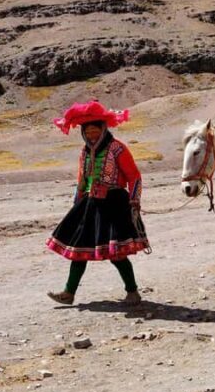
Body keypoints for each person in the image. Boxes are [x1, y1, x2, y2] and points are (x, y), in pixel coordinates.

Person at [46, 100, 150, 306]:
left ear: (103, 129)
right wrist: (77, 203)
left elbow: (134, 176)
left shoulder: (117, 148)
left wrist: (134, 200)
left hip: (114, 204)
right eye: (88, 132)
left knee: (116, 253)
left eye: (95, 131)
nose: (91, 135)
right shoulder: (84, 152)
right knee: (79, 250)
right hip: (90, 204)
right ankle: (68, 293)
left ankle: (132, 292)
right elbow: (82, 181)